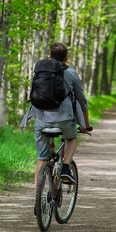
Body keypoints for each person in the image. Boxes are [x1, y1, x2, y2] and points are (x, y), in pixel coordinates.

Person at [20, 42, 92, 188]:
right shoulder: (71, 73)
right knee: (71, 138)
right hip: (65, 120)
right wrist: (86, 125)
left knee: (42, 159)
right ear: (66, 58)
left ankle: (38, 202)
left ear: (48, 57)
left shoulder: (40, 71)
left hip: (40, 119)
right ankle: (65, 166)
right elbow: (82, 100)